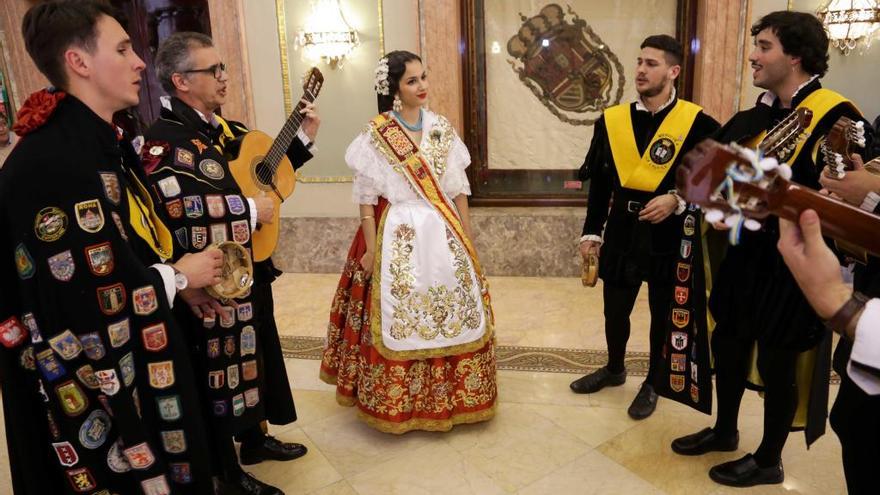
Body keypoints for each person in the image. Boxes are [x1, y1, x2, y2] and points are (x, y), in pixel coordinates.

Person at [0, 2, 226, 493]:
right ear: (79, 62)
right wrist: (178, 276)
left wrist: (172, 281)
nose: (141, 61)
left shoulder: (95, 140)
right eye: (122, 48)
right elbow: (81, 301)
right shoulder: (54, 161)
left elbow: (121, 246)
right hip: (95, 382)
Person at [671, 11, 869, 487]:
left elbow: (847, 195)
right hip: (741, 255)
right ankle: (724, 430)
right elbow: (708, 171)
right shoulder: (751, 115)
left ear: (795, 56)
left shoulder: (837, 116)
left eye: (763, 46)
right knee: (730, 344)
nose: (752, 55)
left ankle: (768, 458)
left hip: (794, 263)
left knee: (780, 360)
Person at [141, 32, 318, 494]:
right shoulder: (165, 145)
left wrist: (301, 141)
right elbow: (177, 208)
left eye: (223, 67)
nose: (224, 77)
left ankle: (254, 438)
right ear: (180, 80)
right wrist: (248, 211)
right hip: (209, 280)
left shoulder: (223, 129)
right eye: (213, 70)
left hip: (249, 267)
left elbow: (261, 171)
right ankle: (226, 470)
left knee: (256, 351)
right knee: (218, 368)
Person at [319, 50, 497, 433]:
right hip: (396, 233)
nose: (423, 87)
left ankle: (452, 396)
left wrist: (467, 237)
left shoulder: (441, 129)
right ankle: (399, 399)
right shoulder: (376, 134)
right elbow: (367, 199)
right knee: (400, 315)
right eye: (412, 80)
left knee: (450, 312)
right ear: (394, 89)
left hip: (442, 234)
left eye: (424, 77)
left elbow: (457, 190)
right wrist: (369, 249)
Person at [570, 35, 719, 419]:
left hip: (667, 232)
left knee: (661, 312)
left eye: (651, 63)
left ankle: (653, 381)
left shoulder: (697, 122)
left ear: (673, 72)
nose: (640, 69)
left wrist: (677, 199)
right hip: (621, 226)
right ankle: (615, 368)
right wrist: (591, 232)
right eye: (638, 61)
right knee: (614, 309)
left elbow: (714, 177)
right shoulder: (612, 120)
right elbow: (600, 184)